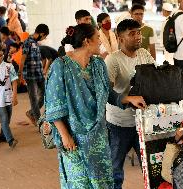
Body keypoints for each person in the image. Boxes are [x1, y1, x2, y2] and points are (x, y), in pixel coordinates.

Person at [45, 23, 146, 189]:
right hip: (74, 138)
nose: (101, 42)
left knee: (102, 182)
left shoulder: (98, 64)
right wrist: (65, 136)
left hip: (98, 138)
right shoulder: (60, 66)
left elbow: (108, 93)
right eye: (98, 38)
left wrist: (129, 99)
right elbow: (54, 106)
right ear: (87, 41)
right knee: (80, 182)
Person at [105, 19, 155, 189]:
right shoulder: (113, 60)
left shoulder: (144, 54)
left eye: (138, 32)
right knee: (115, 170)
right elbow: (107, 93)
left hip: (144, 122)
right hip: (120, 123)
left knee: (150, 166)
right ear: (120, 38)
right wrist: (128, 99)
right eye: (132, 33)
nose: (138, 36)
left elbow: (155, 80)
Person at [19, 24, 49, 125]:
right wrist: (20, 74)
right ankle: (39, 121)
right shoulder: (28, 42)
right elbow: (22, 59)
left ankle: (31, 113)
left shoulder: (36, 43)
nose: (45, 38)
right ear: (41, 33)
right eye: (45, 36)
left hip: (39, 74)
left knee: (45, 95)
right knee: (34, 98)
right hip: (30, 75)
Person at [0, 43, 18, 149]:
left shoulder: (9, 66)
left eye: (0, 56)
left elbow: (14, 81)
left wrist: (15, 96)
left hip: (8, 95)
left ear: (3, 55)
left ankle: (3, 136)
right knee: (4, 118)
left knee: (7, 118)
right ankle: (10, 140)